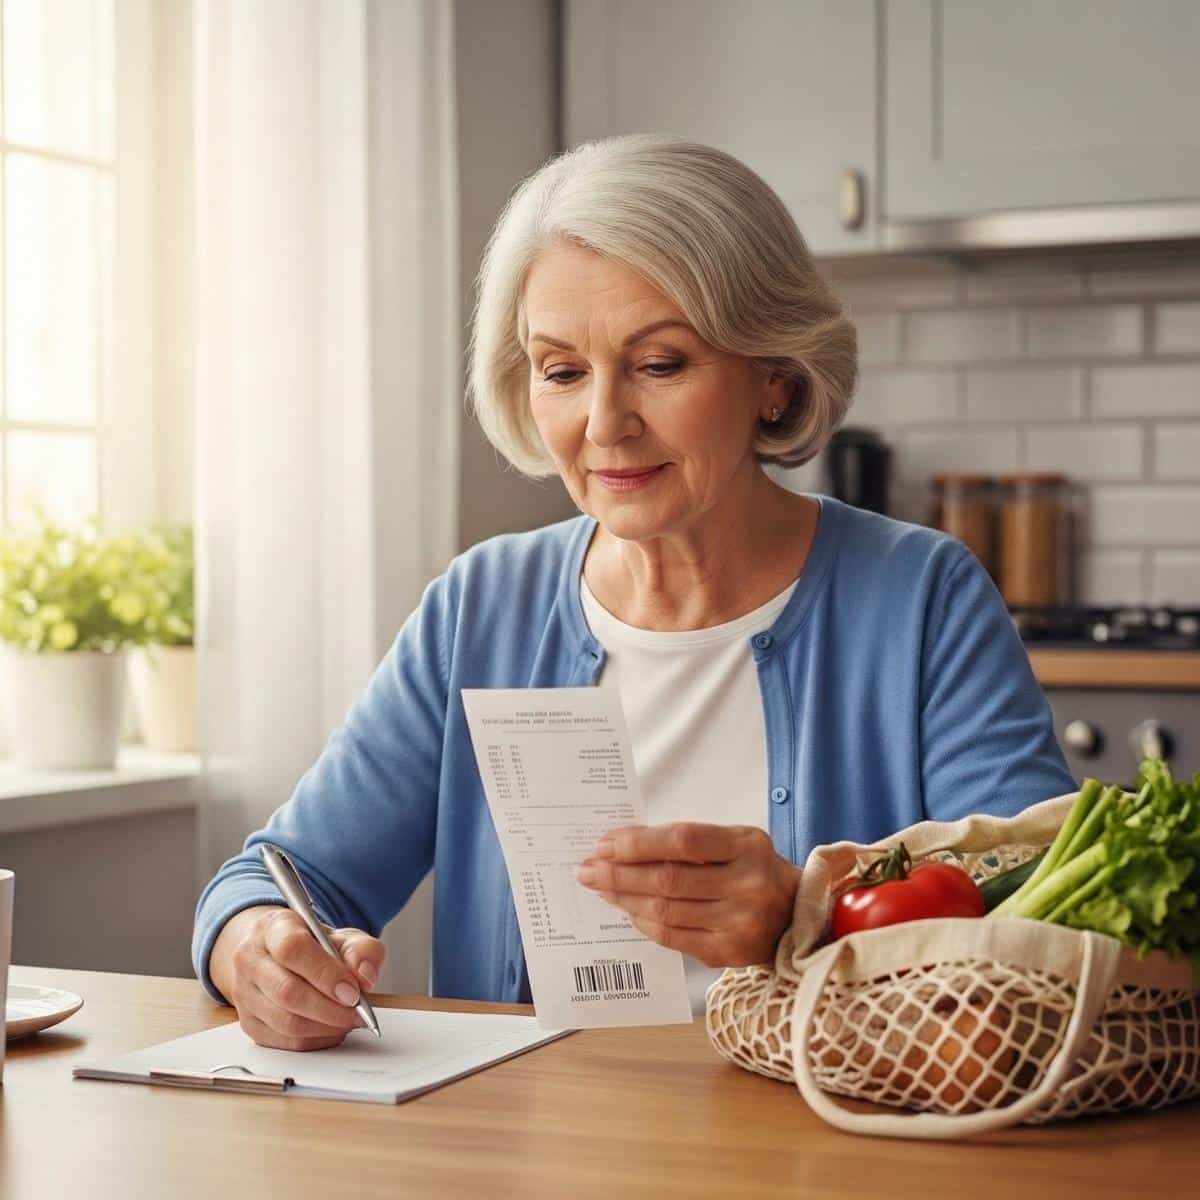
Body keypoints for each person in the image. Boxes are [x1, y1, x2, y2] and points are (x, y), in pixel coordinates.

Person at [192, 134, 1075, 1049]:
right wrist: (255, 946)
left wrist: (803, 918)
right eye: (561, 371)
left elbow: (1045, 916)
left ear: (773, 377)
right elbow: (276, 876)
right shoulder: (481, 607)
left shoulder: (921, 598)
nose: (603, 423)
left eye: (660, 365)